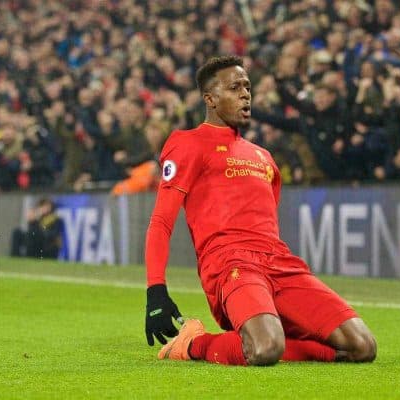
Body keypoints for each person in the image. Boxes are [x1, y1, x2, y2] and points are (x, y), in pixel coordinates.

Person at [144, 56, 377, 366]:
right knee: (266, 349)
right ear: (210, 99)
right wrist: (156, 290)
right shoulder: (188, 144)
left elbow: (266, 222)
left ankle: (279, 334)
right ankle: (194, 342)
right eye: (235, 87)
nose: (246, 94)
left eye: (248, 87)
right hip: (230, 263)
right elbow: (161, 222)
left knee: (363, 346)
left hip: (279, 262)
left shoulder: (264, 157)